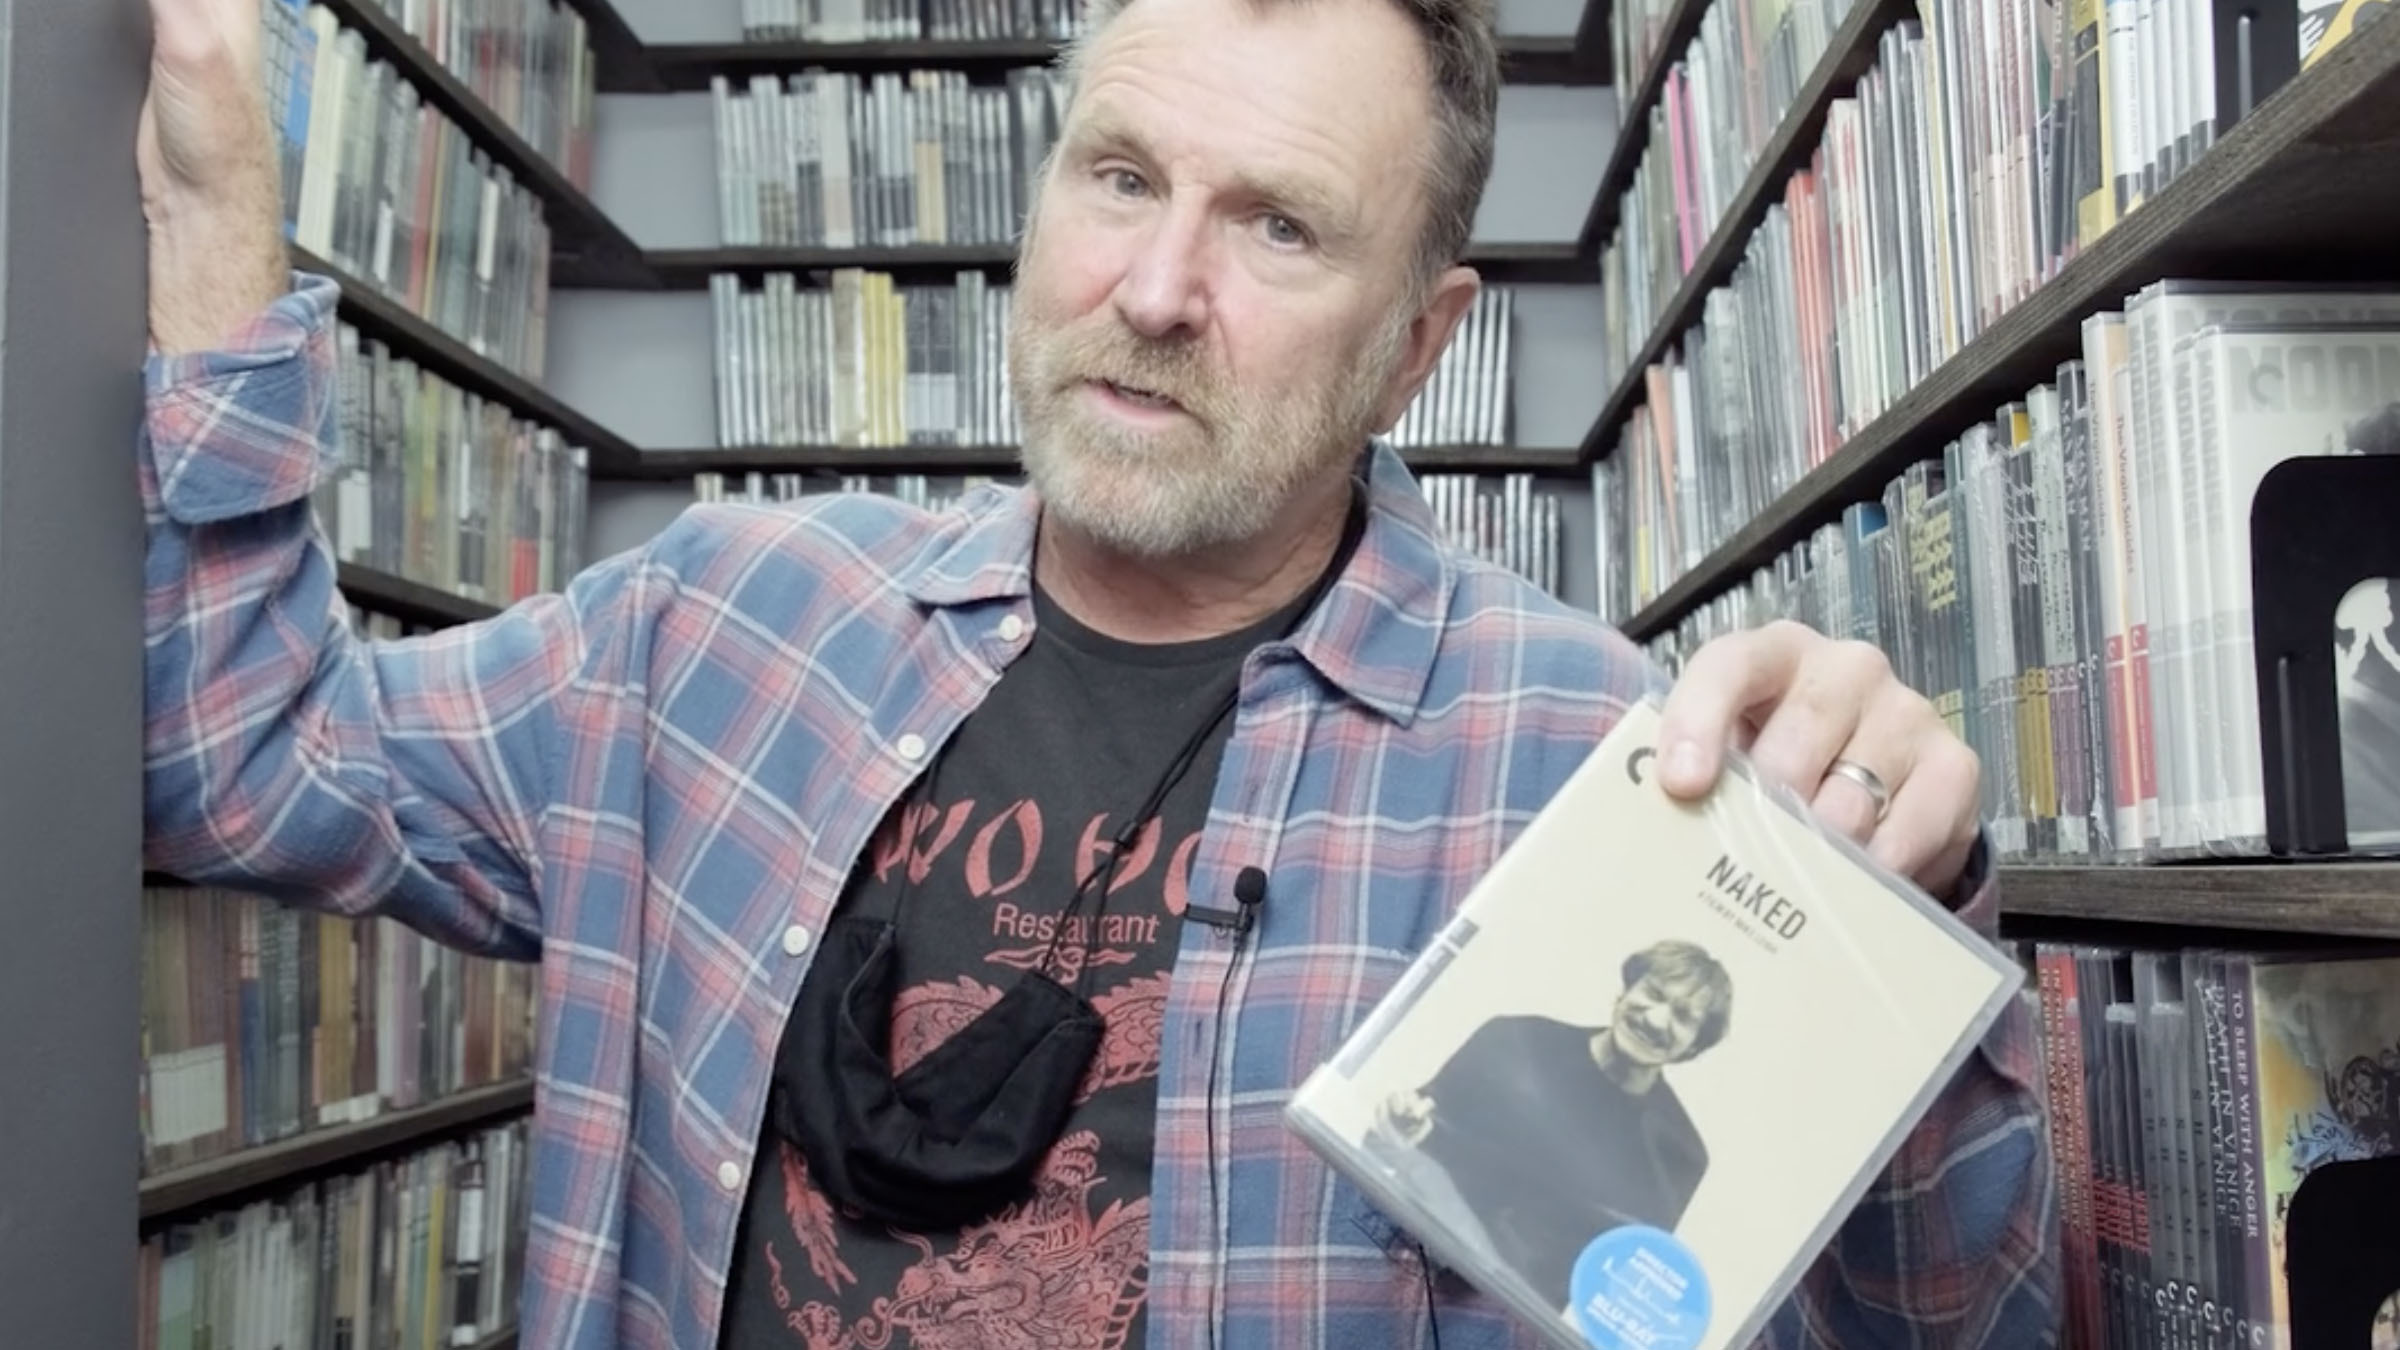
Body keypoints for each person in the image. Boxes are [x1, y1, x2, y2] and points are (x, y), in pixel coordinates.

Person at [134, 0, 2057, 1343]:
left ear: (1418, 342)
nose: (1153, 292)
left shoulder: (1605, 771)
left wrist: (1892, 929)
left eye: (1279, 226)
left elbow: (1956, 1331)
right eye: (1121, 177)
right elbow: (243, 758)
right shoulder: (715, 627)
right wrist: (215, 211)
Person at [1371, 939, 1732, 1314]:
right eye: (1653, 993)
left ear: (1693, 1047)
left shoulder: (1680, 1156)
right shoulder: (1512, 1039)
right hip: (1409, 1245)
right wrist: (1401, 1124)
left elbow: (1612, 1280)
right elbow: (1410, 1134)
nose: (1656, 1019)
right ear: (1627, 988)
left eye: (1683, 1017)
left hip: (1507, 1313)